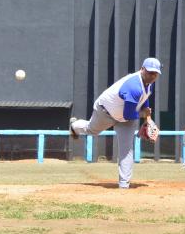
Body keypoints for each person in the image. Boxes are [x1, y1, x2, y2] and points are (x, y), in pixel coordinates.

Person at [69, 57, 162, 189]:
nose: (152, 76)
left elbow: (144, 101)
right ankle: (74, 126)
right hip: (105, 111)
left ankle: (124, 185)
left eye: (155, 73)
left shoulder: (149, 83)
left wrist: (148, 119)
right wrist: (143, 114)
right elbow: (128, 114)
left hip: (125, 119)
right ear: (142, 69)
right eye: (150, 72)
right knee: (92, 130)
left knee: (127, 149)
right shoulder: (133, 86)